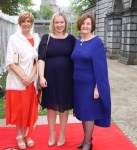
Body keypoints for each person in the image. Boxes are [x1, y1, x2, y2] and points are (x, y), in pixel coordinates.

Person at [71, 14, 111, 150]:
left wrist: (97, 87)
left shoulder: (97, 42)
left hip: (90, 85)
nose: (85, 26)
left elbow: (102, 67)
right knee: (82, 112)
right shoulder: (77, 42)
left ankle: (88, 143)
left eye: (88, 24)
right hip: (77, 85)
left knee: (88, 113)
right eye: (83, 23)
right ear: (79, 25)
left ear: (92, 26)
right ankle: (86, 139)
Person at [38, 12, 76, 147]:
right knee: (51, 107)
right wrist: (41, 76)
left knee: (64, 107)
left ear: (65, 23)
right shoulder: (46, 38)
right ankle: (52, 133)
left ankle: (62, 133)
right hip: (50, 78)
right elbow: (41, 58)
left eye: (62, 22)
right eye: (56, 22)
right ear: (52, 24)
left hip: (66, 78)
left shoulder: (71, 39)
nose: (59, 25)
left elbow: (81, 53)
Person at [5, 11, 40, 149]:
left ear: (31, 23)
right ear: (20, 23)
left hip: (32, 80)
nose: (26, 24)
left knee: (30, 109)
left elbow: (39, 59)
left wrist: (31, 76)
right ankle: (19, 135)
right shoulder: (14, 38)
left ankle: (28, 134)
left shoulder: (36, 39)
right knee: (20, 109)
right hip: (18, 80)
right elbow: (10, 61)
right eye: (24, 21)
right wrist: (23, 77)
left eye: (29, 21)